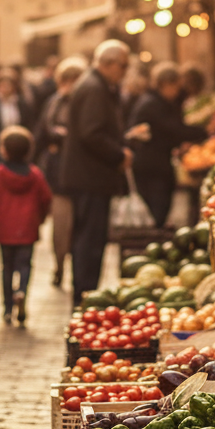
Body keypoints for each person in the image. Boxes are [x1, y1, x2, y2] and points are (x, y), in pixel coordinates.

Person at [62, 40, 132, 299]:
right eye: (123, 66)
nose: (125, 71)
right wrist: (118, 154)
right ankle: (85, 295)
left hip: (89, 177)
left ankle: (86, 293)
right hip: (90, 178)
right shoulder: (94, 88)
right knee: (89, 243)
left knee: (89, 241)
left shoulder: (96, 86)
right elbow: (91, 133)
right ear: (109, 63)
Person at [0, 126, 52, 326]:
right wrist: (40, 219)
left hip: (4, 230)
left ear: (4, 151)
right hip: (28, 229)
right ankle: (22, 292)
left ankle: (8, 307)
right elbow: (46, 199)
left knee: (6, 267)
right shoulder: (35, 175)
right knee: (25, 265)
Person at [128, 62, 209, 228]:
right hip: (152, 166)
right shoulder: (153, 104)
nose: (178, 92)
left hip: (153, 163)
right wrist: (203, 132)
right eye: (176, 87)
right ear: (166, 84)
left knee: (159, 208)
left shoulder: (153, 101)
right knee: (158, 208)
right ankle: (154, 241)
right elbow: (173, 129)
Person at [32, 56, 87, 289]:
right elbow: (41, 135)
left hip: (81, 176)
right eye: (67, 79)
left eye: (75, 79)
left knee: (79, 226)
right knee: (62, 226)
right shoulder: (53, 103)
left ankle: (75, 268)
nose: (70, 84)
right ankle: (60, 265)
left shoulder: (86, 103)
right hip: (58, 175)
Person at [0, 68, 35, 241]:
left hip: (18, 149)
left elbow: (29, 124)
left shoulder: (21, 104)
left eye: (8, 85)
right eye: (2, 85)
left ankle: (17, 223)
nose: (5, 89)